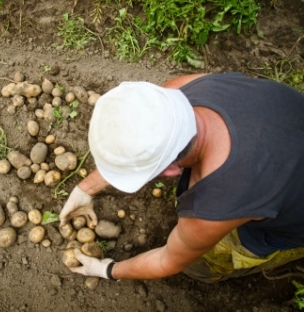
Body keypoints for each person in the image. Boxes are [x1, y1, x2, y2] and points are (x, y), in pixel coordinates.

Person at [59, 72, 304, 283]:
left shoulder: (214, 203)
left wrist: (106, 269)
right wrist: (86, 189)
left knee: (199, 265)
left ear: (170, 171)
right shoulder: (182, 89)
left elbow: (168, 260)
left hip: (293, 226)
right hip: (288, 132)